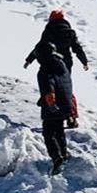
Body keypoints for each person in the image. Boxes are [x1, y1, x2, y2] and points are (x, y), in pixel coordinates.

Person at [24, 10, 88, 127]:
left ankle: (53, 112)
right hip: (65, 64)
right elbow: (77, 48)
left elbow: (40, 47)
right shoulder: (70, 32)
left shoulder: (49, 31)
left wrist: (29, 59)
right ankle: (71, 117)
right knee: (66, 88)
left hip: (49, 61)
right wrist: (84, 61)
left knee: (50, 86)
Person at [35, 43, 71, 173]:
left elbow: (49, 85)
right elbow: (61, 84)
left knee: (48, 133)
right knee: (59, 130)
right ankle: (64, 154)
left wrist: (50, 102)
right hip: (65, 103)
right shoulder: (62, 65)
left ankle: (57, 158)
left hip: (53, 105)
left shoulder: (45, 68)